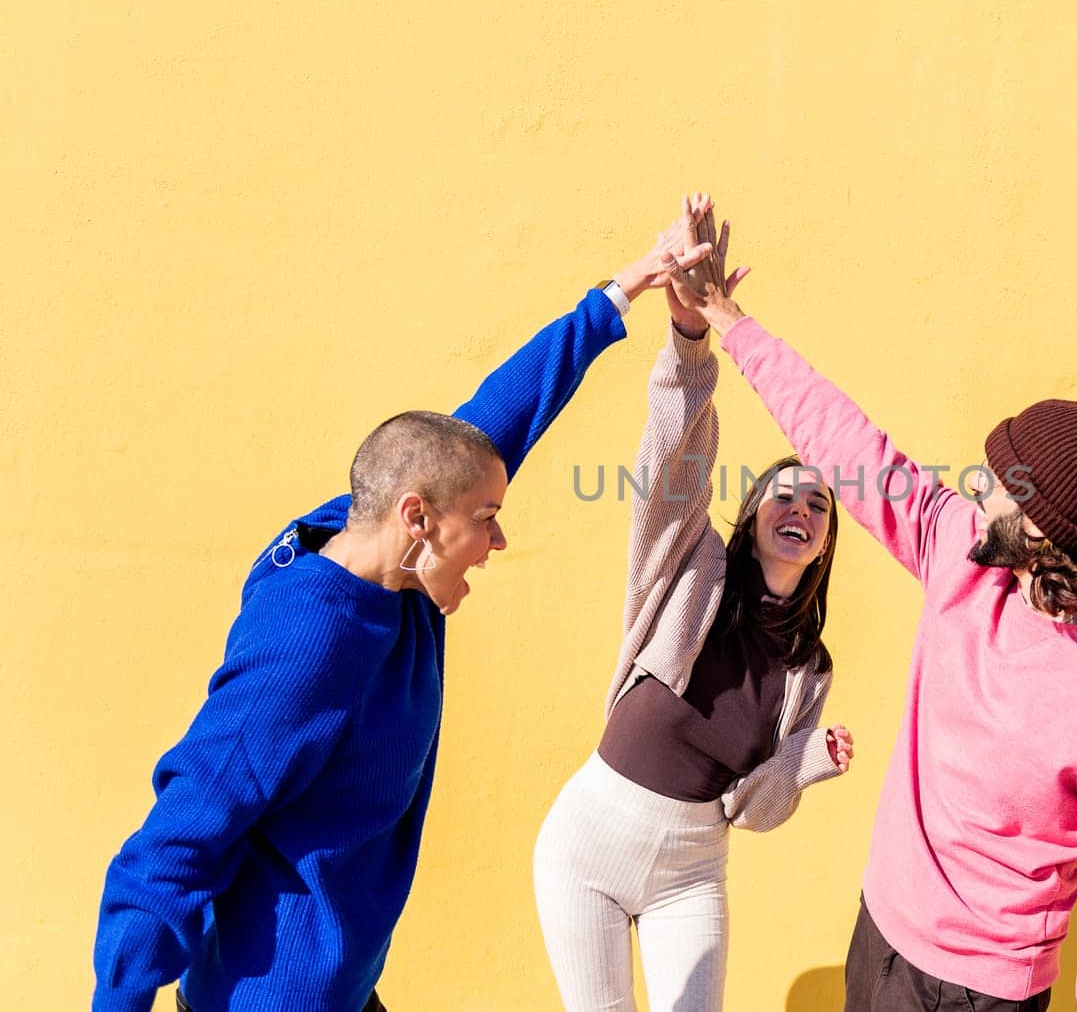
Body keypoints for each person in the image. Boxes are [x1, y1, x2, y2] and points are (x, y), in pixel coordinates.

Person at [91, 203, 716, 1012]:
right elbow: (175, 840)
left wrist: (627, 289)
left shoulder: (382, 542)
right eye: (487, 521)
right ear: (417, 517)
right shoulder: (307, 646)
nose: (499, 540)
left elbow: (495, 420)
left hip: (342, 988)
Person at [664, 231, 1077, 1012]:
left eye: (1005, 484)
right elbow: (848, 443)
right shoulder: (966, 554)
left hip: (981, 993)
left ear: (1045, 530)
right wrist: (728, 319)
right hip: (880, 936)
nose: (979, 487)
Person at [533, 197, 854, 1012]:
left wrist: (805, 762)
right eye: (783, 496)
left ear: (823, 542)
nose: (801, 509)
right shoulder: (690, 562)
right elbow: (669, 456)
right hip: (590, 844)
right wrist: (689, 338)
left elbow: (754, 809)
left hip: (692, 870)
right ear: (751, 516)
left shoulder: (807, 669)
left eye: (817, 506)